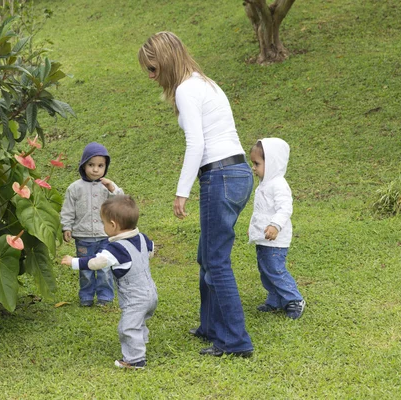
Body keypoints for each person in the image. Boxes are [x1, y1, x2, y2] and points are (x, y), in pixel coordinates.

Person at [138, 31, 254, 358]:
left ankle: (235, 341)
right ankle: (210, 327)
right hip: (238, 173)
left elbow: (197, 144)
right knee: (208, 255)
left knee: (216, 262)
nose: (150, 77)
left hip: (219, 176)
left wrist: (181, 192)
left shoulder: (187, 89)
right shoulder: (204, 82)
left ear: (165, 61)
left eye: (152, 68)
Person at [62, 195, 157, 369]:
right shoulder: (143, 238)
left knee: (127, 327)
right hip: (151, 293)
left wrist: (73, 262)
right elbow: (151, 251)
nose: (103, 226)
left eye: (103, 223)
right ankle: (140, 342)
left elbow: (96, 262)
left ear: (113, 225)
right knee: (139, 320)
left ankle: (135, 360)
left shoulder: (116, 248)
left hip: (135, 297)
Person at [60, 142, 124, 307]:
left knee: (104, 268)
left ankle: (105, 297)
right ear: (83, 165)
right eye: (91, 165)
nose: (95, 169)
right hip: (83, 237)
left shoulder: (107, 188)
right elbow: (67, 210)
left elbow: (121, 202)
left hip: (105, 236)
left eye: (100, 165)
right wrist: (66, 227)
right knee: (86, 270)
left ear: (105, 167)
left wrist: (112, 188)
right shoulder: (74, 188)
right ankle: (86, 297)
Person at [248, 138, 305, 319]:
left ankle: (294, 299)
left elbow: (285, 208)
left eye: (257, 164)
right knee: (265, 269)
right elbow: (261, 210)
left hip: (276, 239)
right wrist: (254, 228)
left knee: (275, 269)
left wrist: (275, 225)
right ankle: (275, 299)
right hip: (264, 238)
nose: (254, 168)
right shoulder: (264, 184)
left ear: (271, 163)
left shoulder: (279, 184)